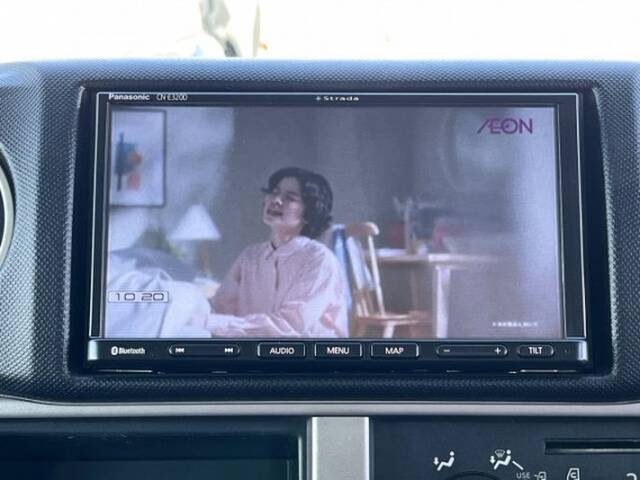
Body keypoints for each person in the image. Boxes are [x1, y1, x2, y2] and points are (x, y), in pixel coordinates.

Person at [209, 167, 347, 337]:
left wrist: (213, 322)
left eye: (290, 198)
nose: (276, 200)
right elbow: (221, 307)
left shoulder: (319, 259)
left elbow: (290, 324)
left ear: (309, 212)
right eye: (274, 192)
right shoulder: (250, 256)